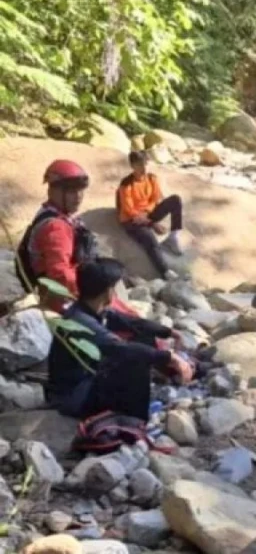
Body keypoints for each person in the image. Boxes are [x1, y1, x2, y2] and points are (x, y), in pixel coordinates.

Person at [47, 258, 193, 421]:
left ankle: (177, 373)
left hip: (91, 374)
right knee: (134, 359)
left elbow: (132, 322)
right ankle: (135, 419)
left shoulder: (94, 309)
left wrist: (169, 332)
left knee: (142, 335)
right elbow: (119, 348)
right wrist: (168, 356)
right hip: (74, 396)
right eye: (114, 288)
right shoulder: (79, 320)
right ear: (107, 291)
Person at [16, 160, 130, 315]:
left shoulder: (58, 216)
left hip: (73, 295)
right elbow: (60, 274)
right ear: (52, 190)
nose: (78, 197)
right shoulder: (55, 227)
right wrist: (93, 298)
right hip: (67, 302)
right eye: (71, 191)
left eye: (81, 191)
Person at [117, 151, 184, 278]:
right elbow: (128, 209)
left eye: (146, 164)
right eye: (140, 165)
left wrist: (146, 213)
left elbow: (155, 199)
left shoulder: (152, 178)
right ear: (132, 166)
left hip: (146, 214)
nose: (144, 168)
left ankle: (173, 237)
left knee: (175, 200)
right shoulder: (126, 184)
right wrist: (151, 224)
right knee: (150, 238)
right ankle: (165, 272)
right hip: (131, 220)